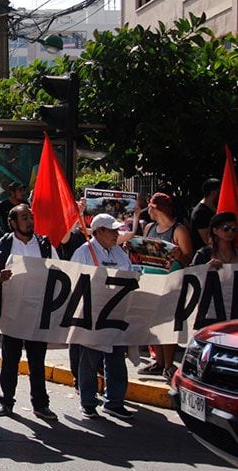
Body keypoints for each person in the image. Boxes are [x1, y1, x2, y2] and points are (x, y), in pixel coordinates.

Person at [0, 204, 59, 420]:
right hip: (12, 314)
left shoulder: (45, 245)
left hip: (37, 313)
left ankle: (40, 404)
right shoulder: (4, 246)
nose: (29, 221)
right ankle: (7, 402)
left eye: (31, 217)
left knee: (37, 362)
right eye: (24, 217)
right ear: (12, 223)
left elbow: (59, 272)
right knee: (10, 360)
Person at [70, 213, 135, 420]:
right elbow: (74, 281)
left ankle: (114, 402)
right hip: (92, 315)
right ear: (98, 232)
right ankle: (88, 402)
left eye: (118, 230)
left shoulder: (120, 253)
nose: (117, 234)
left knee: (116, 358)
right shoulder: (83, 253)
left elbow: (131, 276)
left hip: (116, 315)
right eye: (112, 230)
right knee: (89, 360)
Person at [138, 192, 192, 379]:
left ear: (155, 208)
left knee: (167, 324)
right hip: (152, 279)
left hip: (171, 282)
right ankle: (159, 362)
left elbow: (189, 259)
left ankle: (169, 364)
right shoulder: (150, 228)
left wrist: (179, 256)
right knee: (153, 324)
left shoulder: (179, 230)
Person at [189, 178, 221, 252]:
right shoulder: (200, 213)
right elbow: (208, 240)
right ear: (214, 193)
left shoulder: (214, 208)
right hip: (205, 258)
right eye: (221, 192)